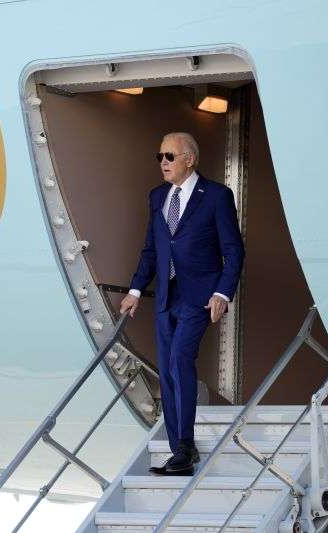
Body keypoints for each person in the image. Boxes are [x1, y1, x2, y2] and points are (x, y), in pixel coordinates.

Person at [120, 132, 244, 475]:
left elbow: (233, 250)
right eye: (159, 156)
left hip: (199, 296)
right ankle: (179, 452)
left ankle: (186, 447)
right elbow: (152, 249)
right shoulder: (158, 196)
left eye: (169, 156)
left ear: (189, 159)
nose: (163, 162)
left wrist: (222, 293)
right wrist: (135, 290)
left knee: (179, 360)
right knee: (167, 371)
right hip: (165, 296)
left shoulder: (216, 195)